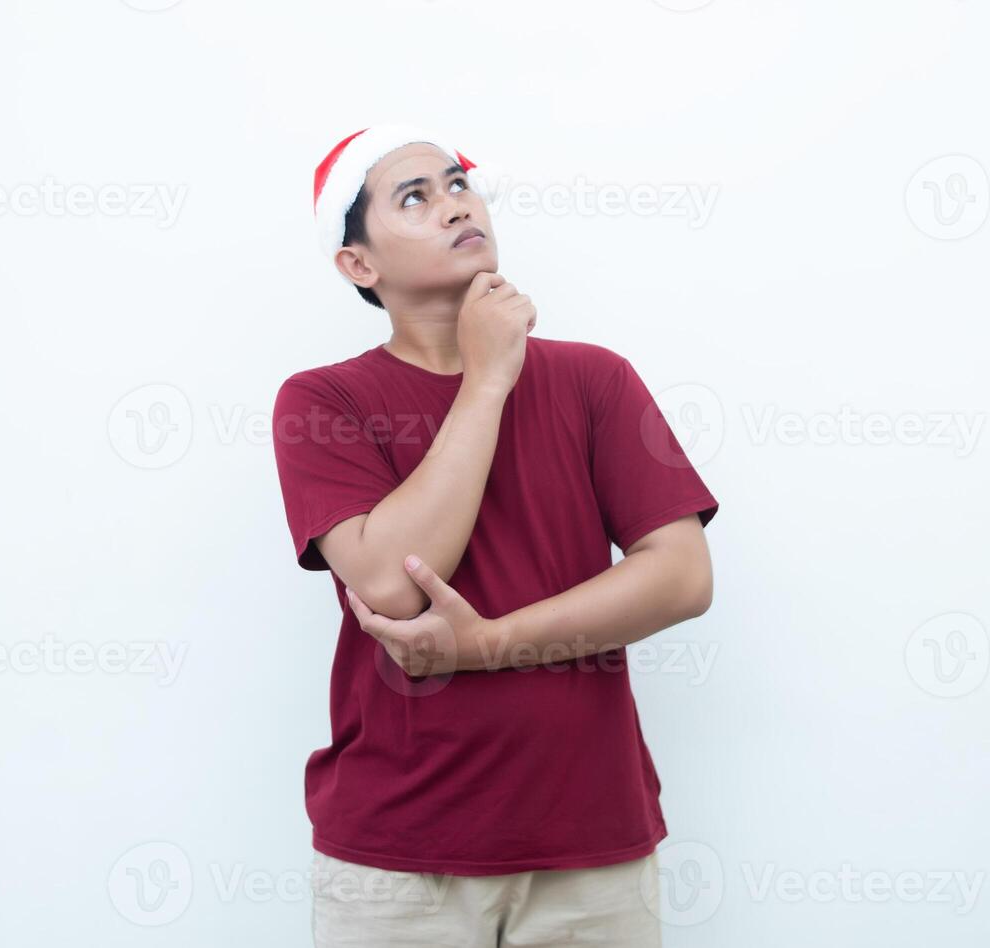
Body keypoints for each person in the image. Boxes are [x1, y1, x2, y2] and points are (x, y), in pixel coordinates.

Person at [271, 124, 719, 947]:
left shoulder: (595, 378)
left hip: (593, 850)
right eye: (414, 198)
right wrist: (488, 378)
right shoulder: (321, 401)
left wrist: (484, 646)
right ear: (359, 265)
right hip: (399, 863)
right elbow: (392, 583)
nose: (453, 206)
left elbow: (683, 577)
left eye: (456, 185)